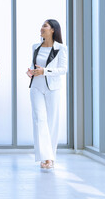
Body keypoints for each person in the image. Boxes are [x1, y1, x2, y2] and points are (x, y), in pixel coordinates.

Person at [26, 19, 67, 169]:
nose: (41, 28)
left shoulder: (61, 48)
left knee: (52, 122)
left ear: (53, 30)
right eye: (42, 25)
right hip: (36, 87)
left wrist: (45, 71)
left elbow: (63, 69)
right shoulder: (35, 47)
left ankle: (51, 156)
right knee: (39, 120)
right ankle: (45, 157)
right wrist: (31, 71)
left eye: (45, 26)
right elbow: (33, 64)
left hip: (53, 88)